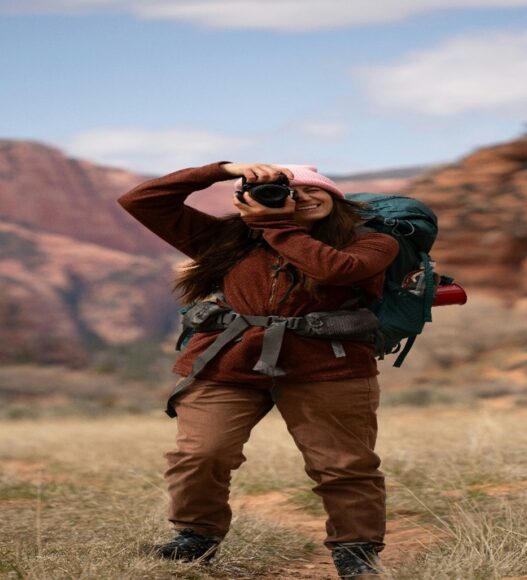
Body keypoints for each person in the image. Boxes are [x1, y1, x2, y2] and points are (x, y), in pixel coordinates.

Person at [117, 161, 399, 578]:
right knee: (200, 452)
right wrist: (222, 168)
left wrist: (277, 225)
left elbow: (335, 270)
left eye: (312, 190)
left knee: (343, 464)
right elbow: (140, 200)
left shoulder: (372, 242)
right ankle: (196, 536)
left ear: (335, 197)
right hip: (229, 359)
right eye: (288, 191)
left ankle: (356, 552)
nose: (300, 197)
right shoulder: (228, 240)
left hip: (328, 363)